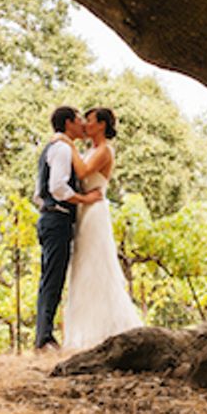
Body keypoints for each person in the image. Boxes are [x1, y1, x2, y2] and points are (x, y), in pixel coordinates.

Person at [56, 107, 143, 350]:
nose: (86, 124)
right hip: (84, 210)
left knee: (96, 267)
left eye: (91, 121)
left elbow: (83, 172)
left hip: (95, 211)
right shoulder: (88, 150)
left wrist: (66, 142)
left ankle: (105, 330)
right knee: (82, 269)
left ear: (102, 125)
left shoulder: (104, 150)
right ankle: (83, 331)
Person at [33, 106, 103, 350]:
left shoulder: (56, 147)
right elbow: (58, 188)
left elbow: (39, 194)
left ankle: (44, 335)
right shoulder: (62, 148)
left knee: (50, 278)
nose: (83, 124)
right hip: (57, 218)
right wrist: (84, 200)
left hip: (50, 217)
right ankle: (44, 339)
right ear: (68, 123)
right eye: (79, 120)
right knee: (53, 279)